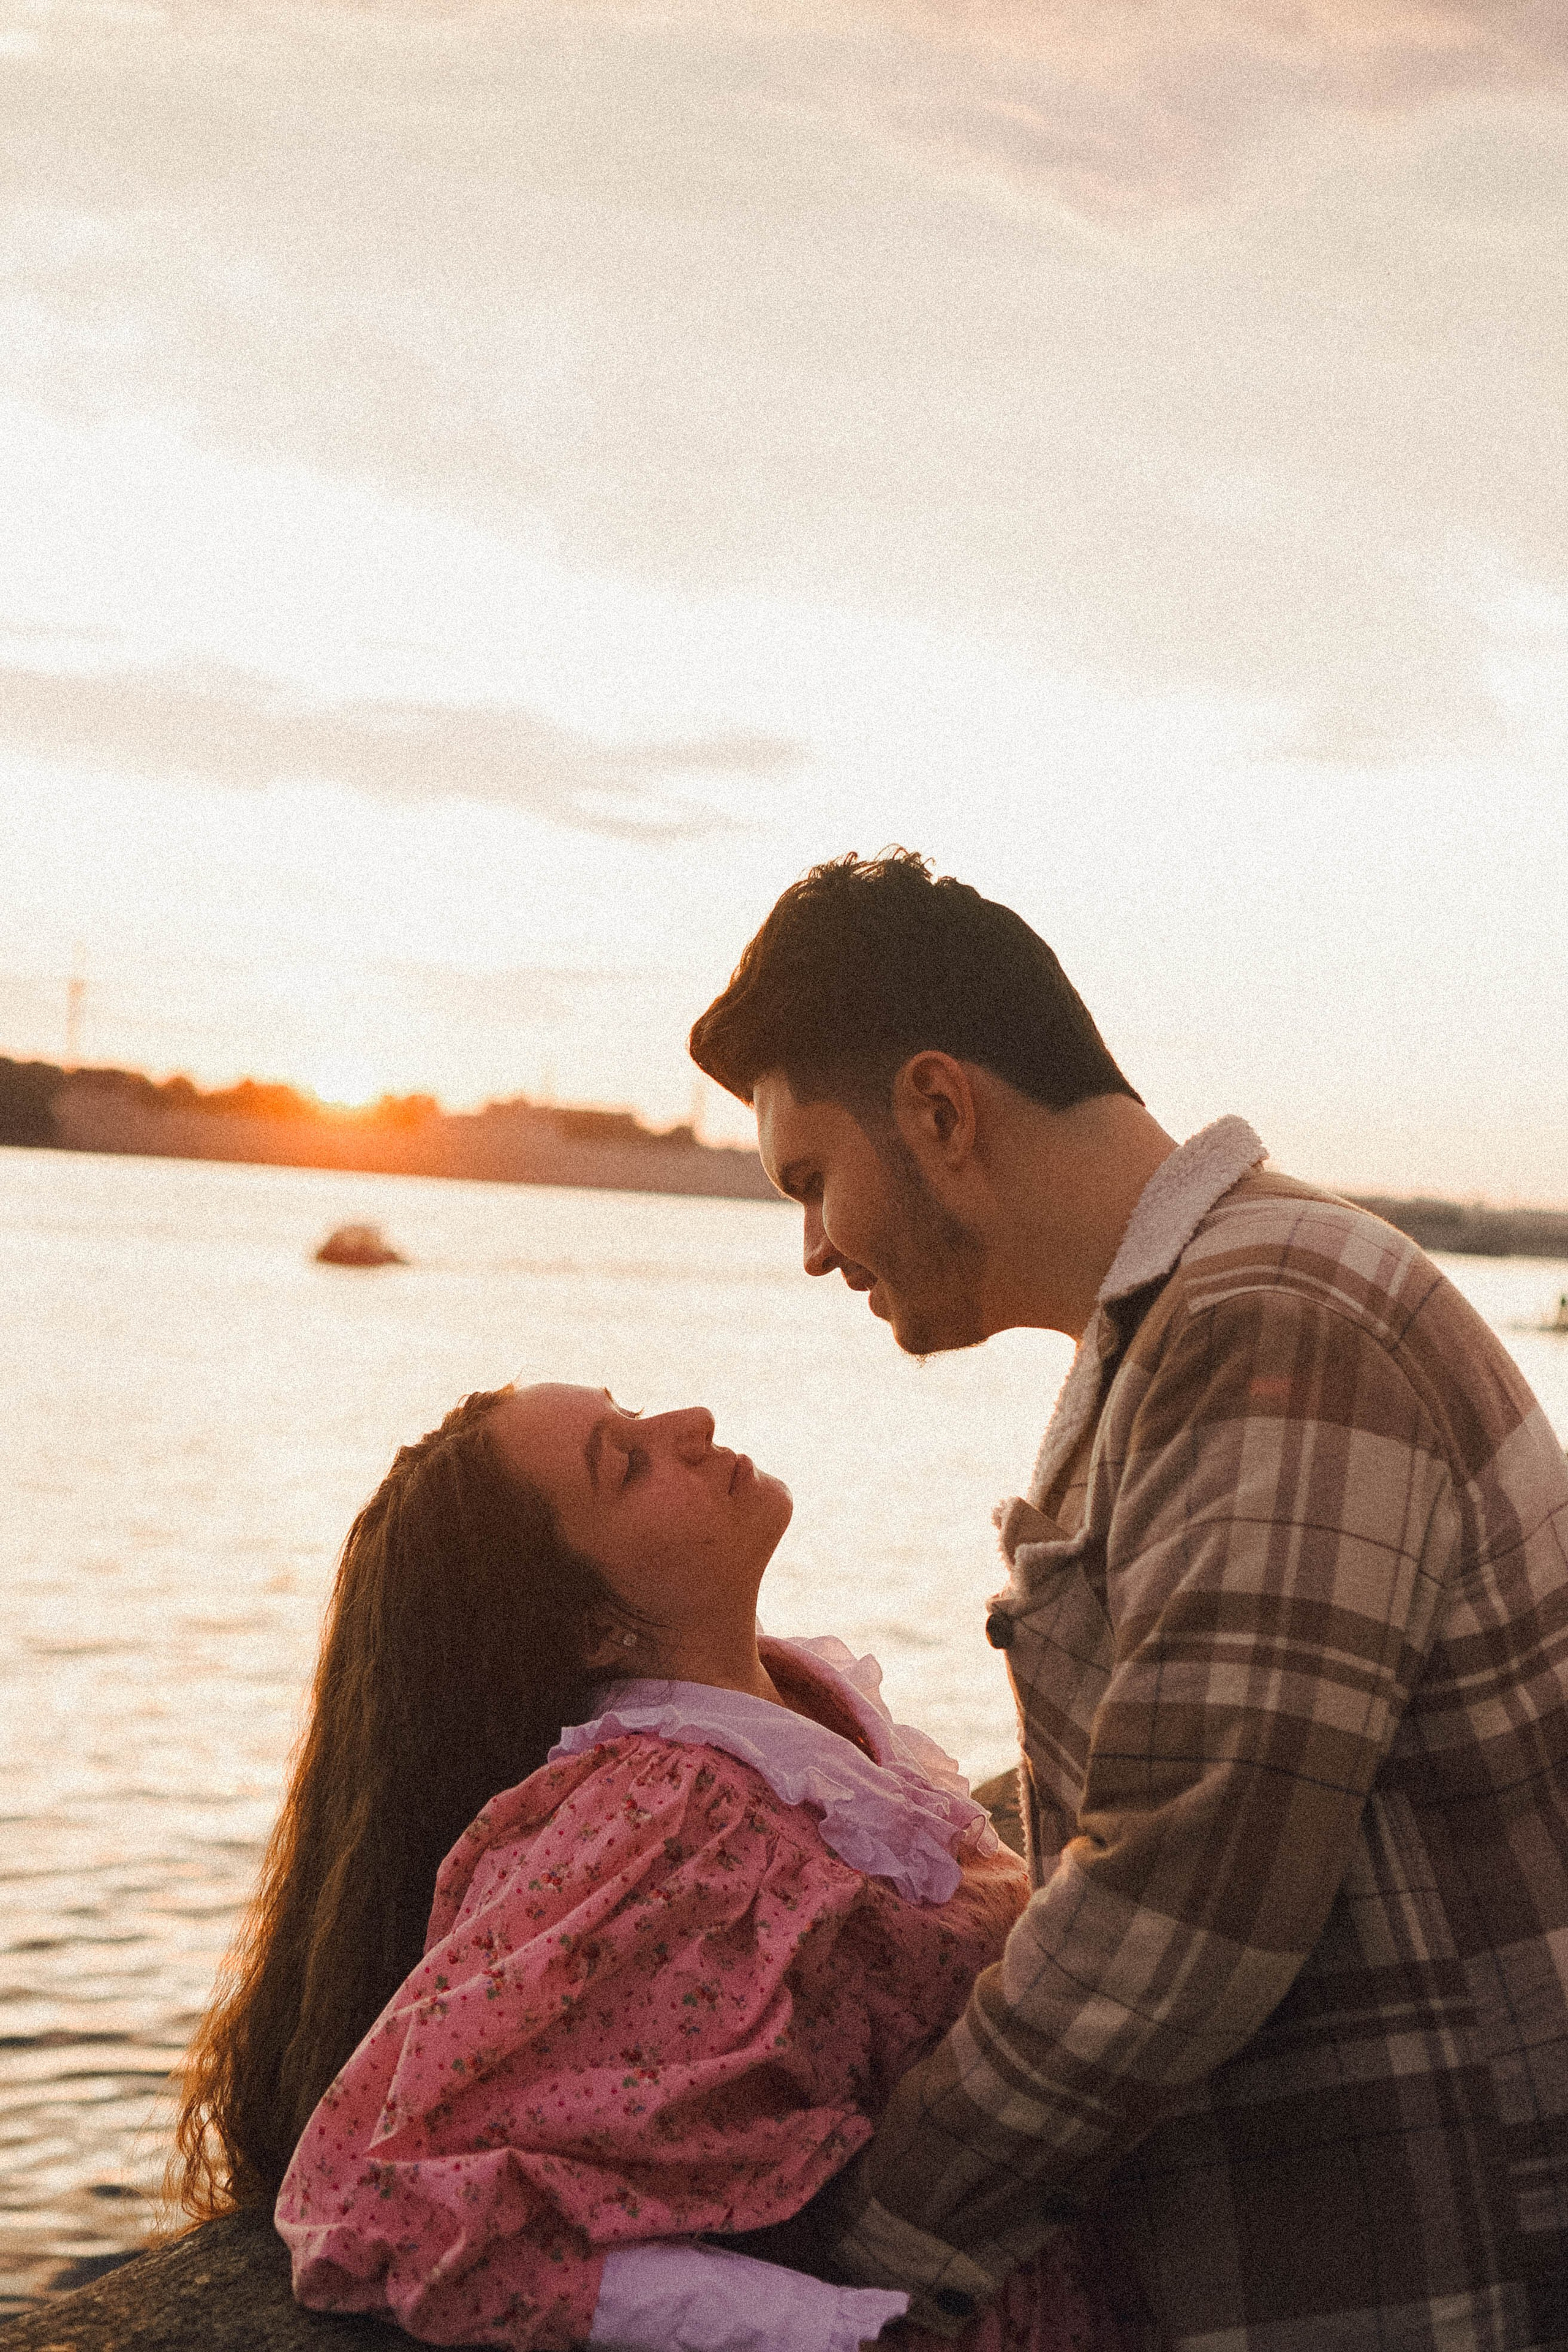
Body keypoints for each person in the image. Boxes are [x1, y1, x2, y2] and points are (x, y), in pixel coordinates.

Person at [688, 850, 1568, 2352]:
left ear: (939, 1110)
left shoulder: (1267, 1326)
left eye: (810, 1181)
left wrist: (857, 2235)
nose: (816, 1248)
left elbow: (1183, 1899)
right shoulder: (1190, 1329)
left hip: (1436, 2268)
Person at [169, 1379, 1125, 2352]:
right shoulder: (663, 1816)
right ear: (589, 1626)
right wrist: (824, 2332)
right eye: (626, 1462)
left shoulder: (802, 1711)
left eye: (636, 1418)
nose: (692, 1425)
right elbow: (387, 2212)